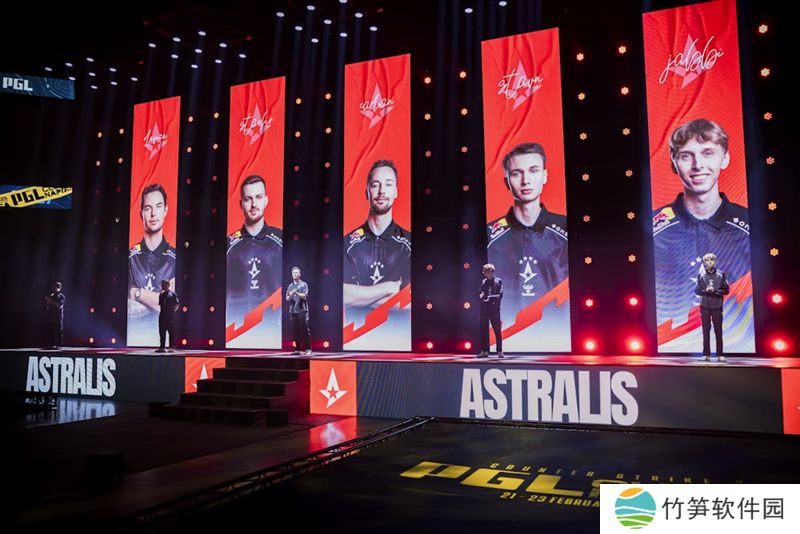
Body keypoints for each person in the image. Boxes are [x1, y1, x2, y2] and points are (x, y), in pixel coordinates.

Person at [652, 119, 750, 346]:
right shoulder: (651, 229)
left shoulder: (751, 225)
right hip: (668, 349)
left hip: (741, 347)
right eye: (686, 156)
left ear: (724, 158)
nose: (698, 165)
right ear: (674, 163)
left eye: (708, 153)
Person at [487, 142, 569, 329]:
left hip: (559, 334)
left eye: (533, 171)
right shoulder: (489, 236)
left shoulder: (567, 230)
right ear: (507, 181)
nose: (526, 181)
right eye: (517, 173)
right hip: (503, 336)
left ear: (544, 176)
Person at [343, 159, 411, 309]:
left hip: (401, 325)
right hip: (354, 325)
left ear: (396, 192)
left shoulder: (410, 245)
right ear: (367, 192)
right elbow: (340, 296)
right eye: (375, 185)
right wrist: (390, 288)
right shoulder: (347, 244)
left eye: (388, 184)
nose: (382, 191)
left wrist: (359, 297)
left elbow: (411, 301)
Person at [226, 175, 283, 316]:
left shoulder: (282, 241)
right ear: (241, 204)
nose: (254, 204)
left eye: (258, 197)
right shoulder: (228, 246)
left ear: (266, 200)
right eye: (248, 199)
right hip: (236, 326)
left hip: (273, 327)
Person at [128, 184, 176, 344]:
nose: (153, 213)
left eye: (158, 206)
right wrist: (156, 300)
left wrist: (136, 293)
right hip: (133, 340)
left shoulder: (176, 258)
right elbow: (125, 307)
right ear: (141, 213)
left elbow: (172, 307)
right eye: (148, 208)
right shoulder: (129, 258)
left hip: (167, 344)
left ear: (166, 210)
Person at [694, 253, 729, 362]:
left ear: (715, 262)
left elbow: (726, 290)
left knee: (718, 330)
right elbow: (697, 290)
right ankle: (706, 354)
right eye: (707, 260)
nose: (710, 262)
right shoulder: (701, 275)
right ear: (704, 262)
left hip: (717, 305)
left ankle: (720, 354)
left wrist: (715, 291)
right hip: (704, 305)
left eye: (712, 260)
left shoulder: (721, 274)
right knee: (706, 330)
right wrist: (705, 291)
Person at [477, 264, 503, 358]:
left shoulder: (498, 281)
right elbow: (480, 292)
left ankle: (499, 351)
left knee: (497, 330)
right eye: (484, 272)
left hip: (494, 310)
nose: (485, 273)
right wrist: (481, 295)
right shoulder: (483, 282)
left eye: (487, 271)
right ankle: (484, 351)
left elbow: (500, 293)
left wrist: (491, 297)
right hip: (484, 309)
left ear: (491, 271)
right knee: (483, 330)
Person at [286, 267, 311, 355]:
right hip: (293, 311)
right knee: (295, 330)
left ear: (300, 274)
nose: (295, 274)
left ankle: (308, 349)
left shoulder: (304, 284)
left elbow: (305, 296)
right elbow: (287, 299)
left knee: (305, 330)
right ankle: (298, 349)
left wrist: (296, 292)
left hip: (302, 309)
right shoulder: (290, 286)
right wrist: (291, 294)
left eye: (296, 273)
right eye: (293, 273)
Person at [157, 280, 180, 353]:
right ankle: (162, 347)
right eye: (162, 285)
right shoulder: (161, 294)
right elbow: (161, 304)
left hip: (170, 316)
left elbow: (177, 304)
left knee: (171, 331)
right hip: (162, 315)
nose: (163, 286)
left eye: (165, 284)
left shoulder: (173, 294)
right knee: (162, 331)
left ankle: (171, 347)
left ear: (168, 285)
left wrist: (172, 311)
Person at [44, 281, 65, 350]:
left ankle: (59, 345)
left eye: (58, 287)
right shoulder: (52, 296)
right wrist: (47, 302)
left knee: (59, 330)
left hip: (59, 316)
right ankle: (52, 344)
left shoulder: (61, 296)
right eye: (55, 286)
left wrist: (51, 302)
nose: (56, 288)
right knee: (51, 330)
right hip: (52, 316)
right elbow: (47, 308)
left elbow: (60, 306)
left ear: (60, 288)